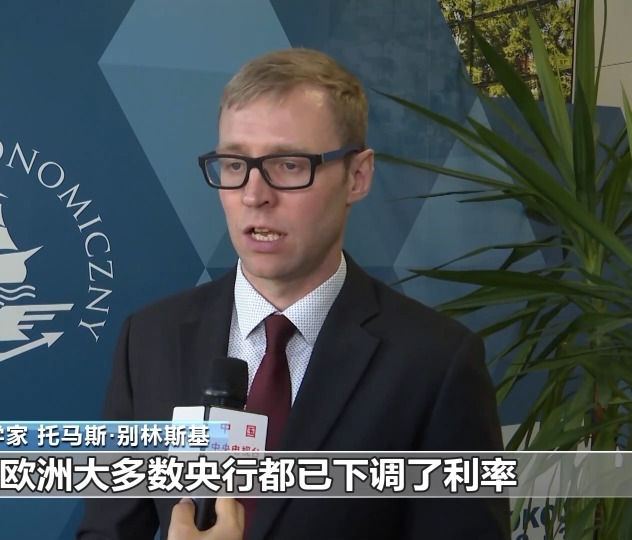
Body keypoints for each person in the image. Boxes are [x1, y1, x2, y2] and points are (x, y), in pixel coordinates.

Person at [77, 47, 509, 539]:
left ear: (357, 176)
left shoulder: (435, 364)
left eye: (287, 165)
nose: (254, 195)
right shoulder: (149, 340)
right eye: (234, 164)